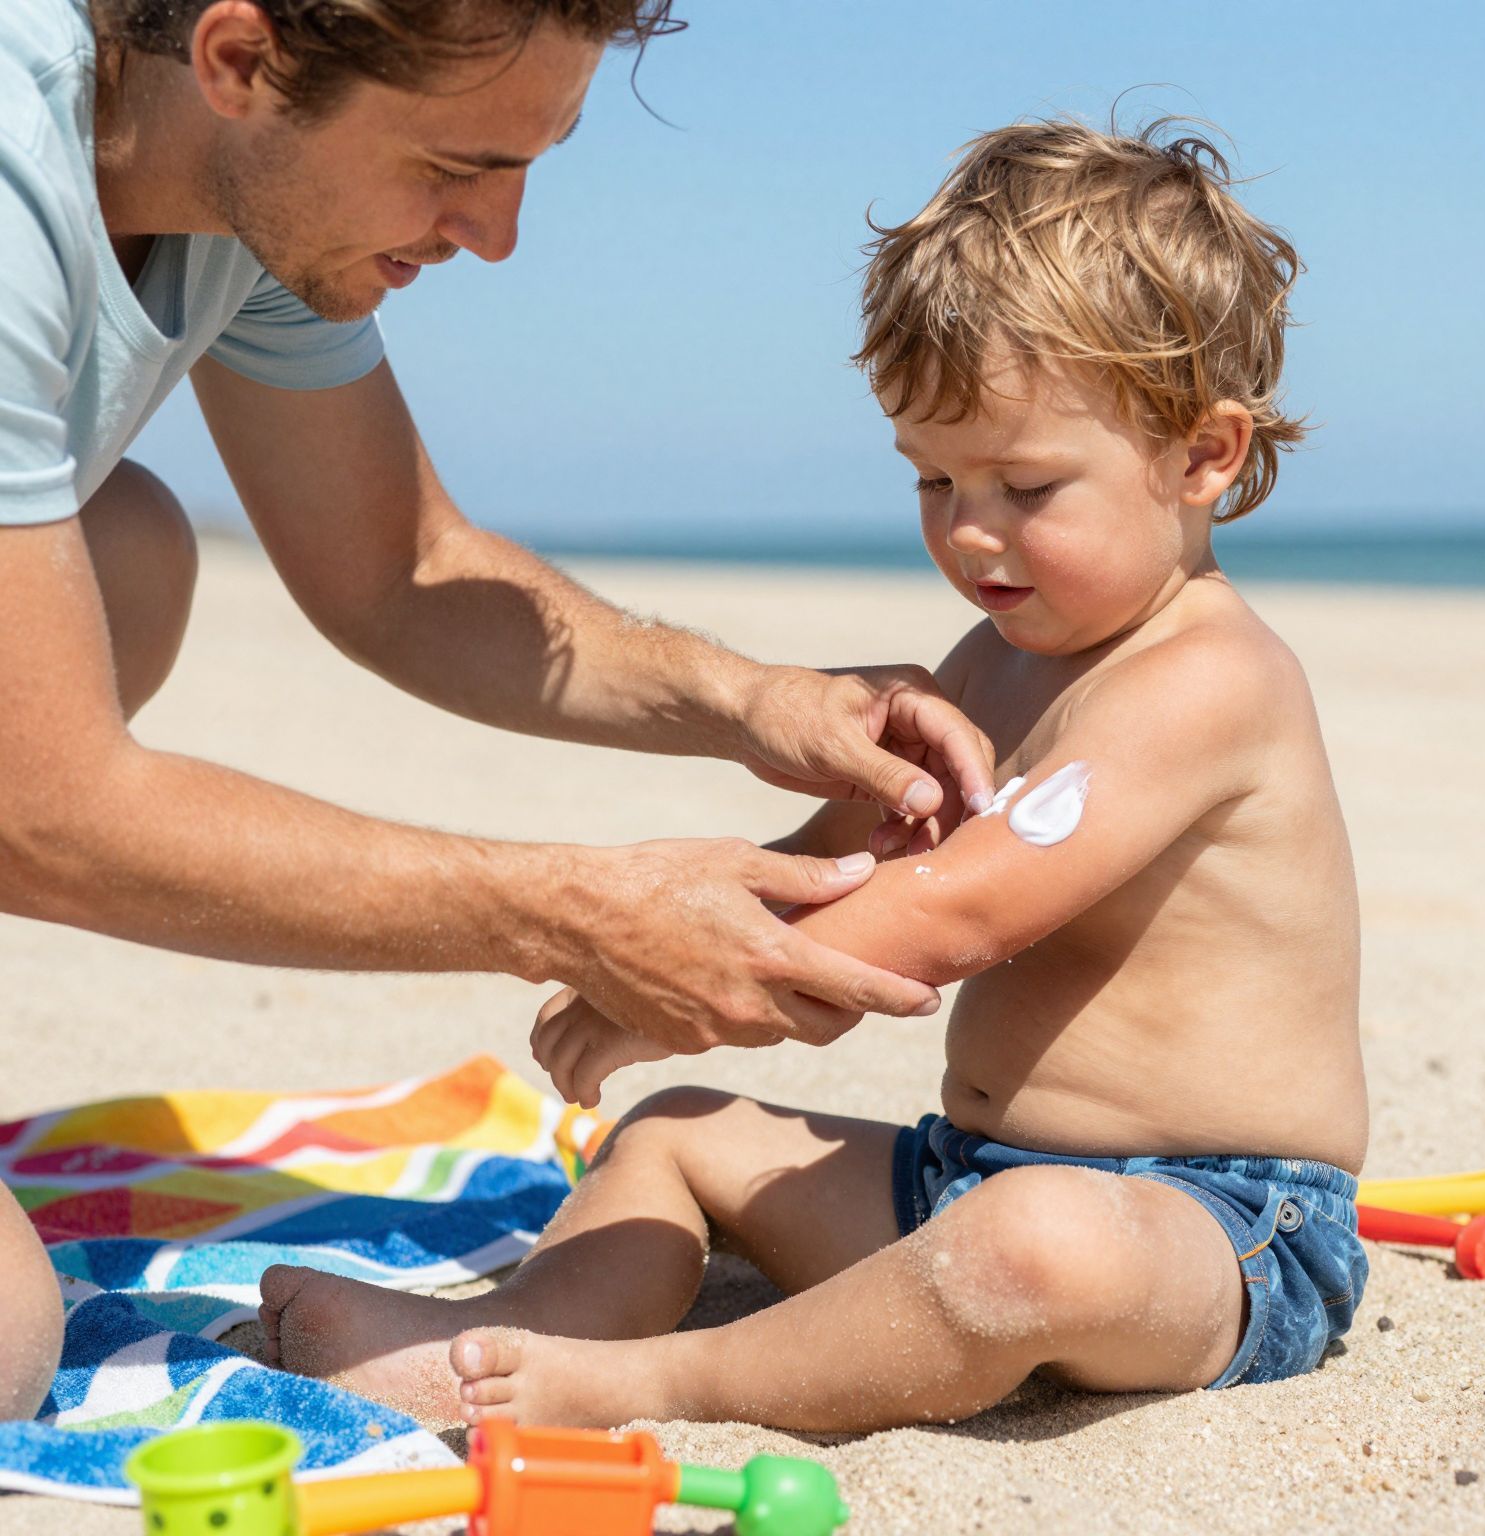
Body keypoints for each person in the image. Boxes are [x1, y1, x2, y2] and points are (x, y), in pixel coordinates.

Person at [258, 117, 1372, 1433]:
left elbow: (959, 909)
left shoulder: (1209, 679)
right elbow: (851, 856)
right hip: (963, 1175)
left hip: (1218, 1227)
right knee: (677, 1134)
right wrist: (678, 934)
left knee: (1030, 1249)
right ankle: (506, 1344)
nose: (968, 529)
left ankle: (668, 1381)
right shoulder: (990, 658)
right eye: (933, 477)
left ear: (1205, 455)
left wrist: (685, 995)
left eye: (1026, 485)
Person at [0, 1, 996, 1420]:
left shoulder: (250, 193)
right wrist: (571, 909)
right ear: (237, 61)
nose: (497, 234)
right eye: (453, 164)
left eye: (529, 164)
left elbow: (403, 571)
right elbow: (47, 815)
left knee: (125, 550)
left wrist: (757, 701)